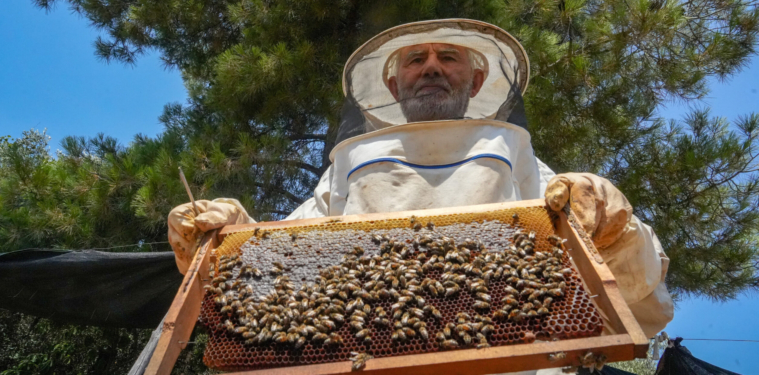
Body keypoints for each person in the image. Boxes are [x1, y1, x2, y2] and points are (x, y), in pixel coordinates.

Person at [168, 19, 673, 370]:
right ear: (394, 82)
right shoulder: (347, 168)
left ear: (476, 80)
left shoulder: (518, 158)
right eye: (415, 59)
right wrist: (228, 239)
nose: (431, 67)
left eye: (447, 57)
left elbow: (637, 289)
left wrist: (613, 225)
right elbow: (284, 262)